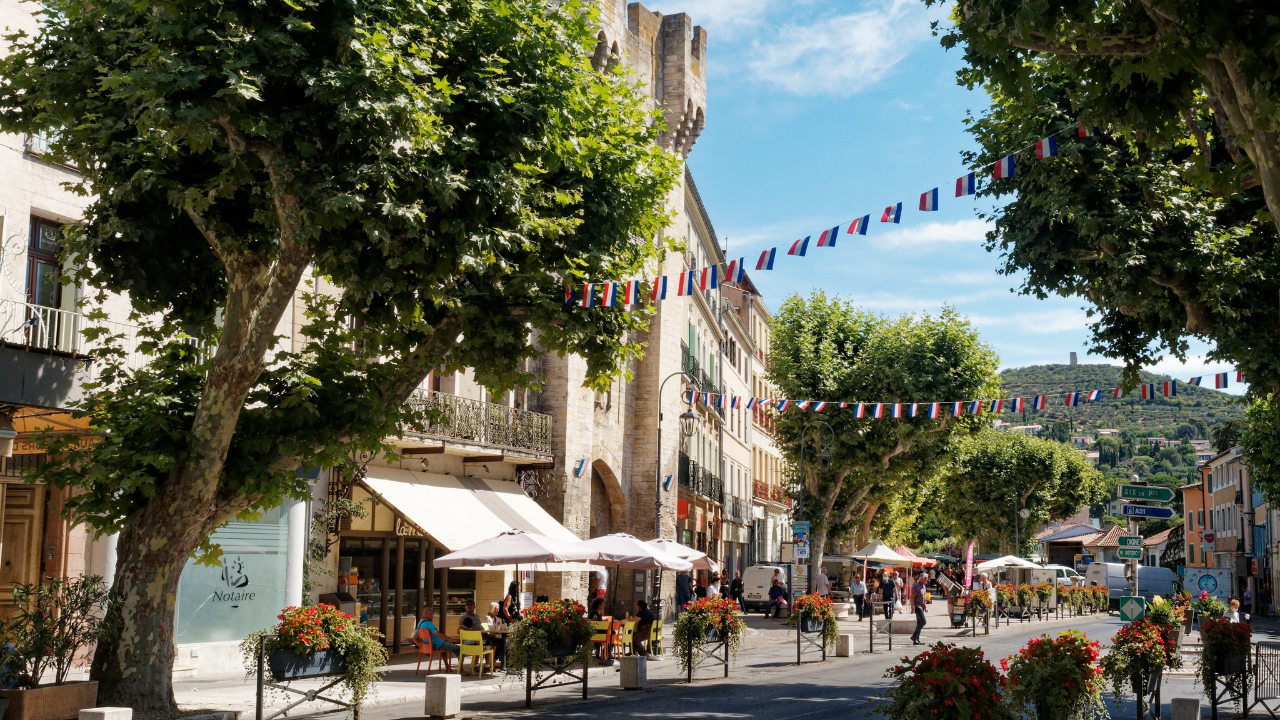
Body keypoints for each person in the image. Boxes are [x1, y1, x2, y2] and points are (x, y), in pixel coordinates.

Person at [910, 575, 927, 645]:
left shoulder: (923, 586)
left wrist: (925, 607)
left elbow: (924, 598)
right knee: (923, 622)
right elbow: (912, 596)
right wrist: (912, 607)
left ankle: (916, 639)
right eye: (926, 578)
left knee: (919, 623)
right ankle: (914, 636)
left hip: (922, 606)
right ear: (922, 579)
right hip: (917, 606)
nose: (927, 580)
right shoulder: (917, 586)